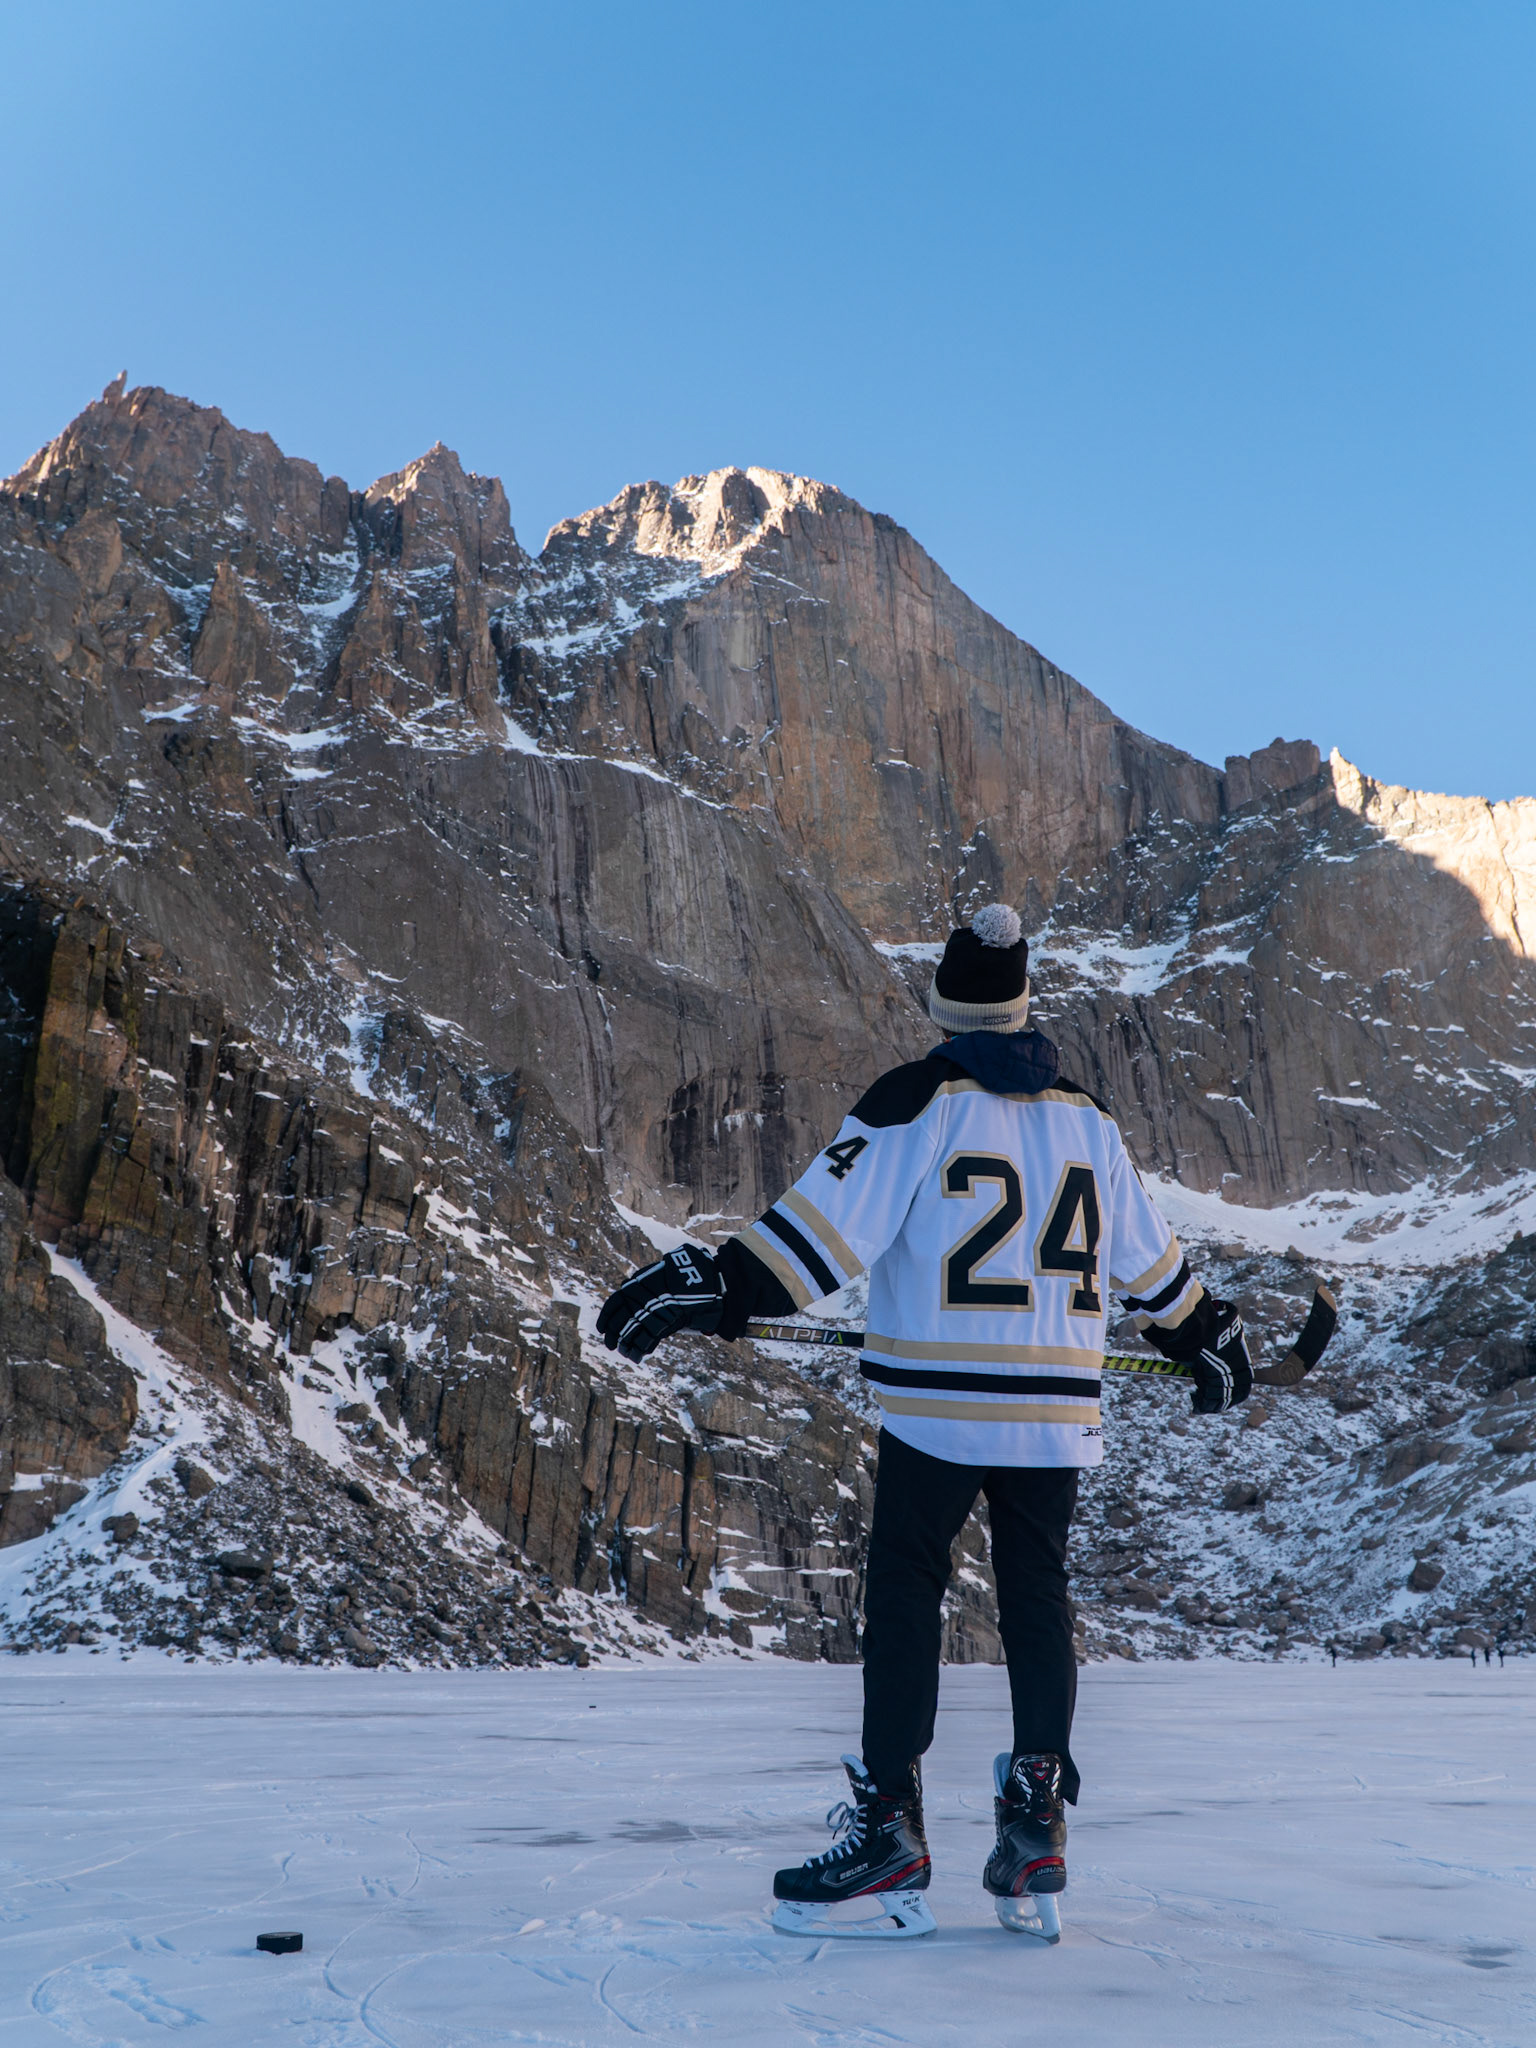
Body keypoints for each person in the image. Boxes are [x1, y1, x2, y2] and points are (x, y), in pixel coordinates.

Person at [597, 904, 1252, 1937]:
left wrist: (718, 1284)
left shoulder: (918, 1099)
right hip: (1054, 1409)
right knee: (1037, 1593)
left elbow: (822, 1235)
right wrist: (1204, 1332)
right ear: (1024, 1008)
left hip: (940, 1404)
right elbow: (1151, 1261)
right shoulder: (1089, 1119)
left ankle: (891, 1831)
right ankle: (1036, 1819)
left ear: (945, 1007)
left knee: (906, 1585)